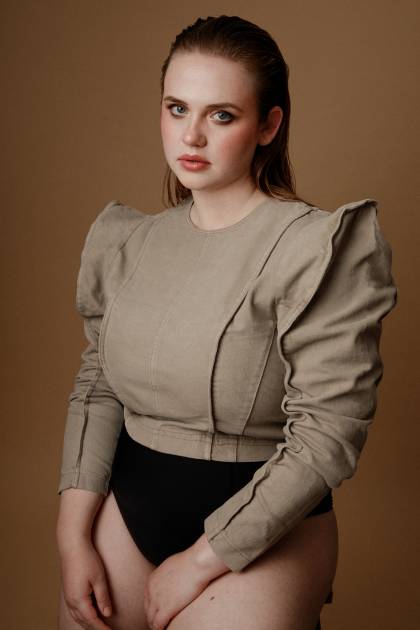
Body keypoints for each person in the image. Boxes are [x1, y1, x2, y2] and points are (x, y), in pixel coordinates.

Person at [56, 14, 398, 630]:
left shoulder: (320, 248)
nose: (191, 136)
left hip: (269, 533)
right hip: (127, 513)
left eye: (221, 115)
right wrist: (72, 534)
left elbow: (327, 433)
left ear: (269, 125)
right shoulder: (129, 241)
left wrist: (200, 562)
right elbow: (98, 386)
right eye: (177, 108)